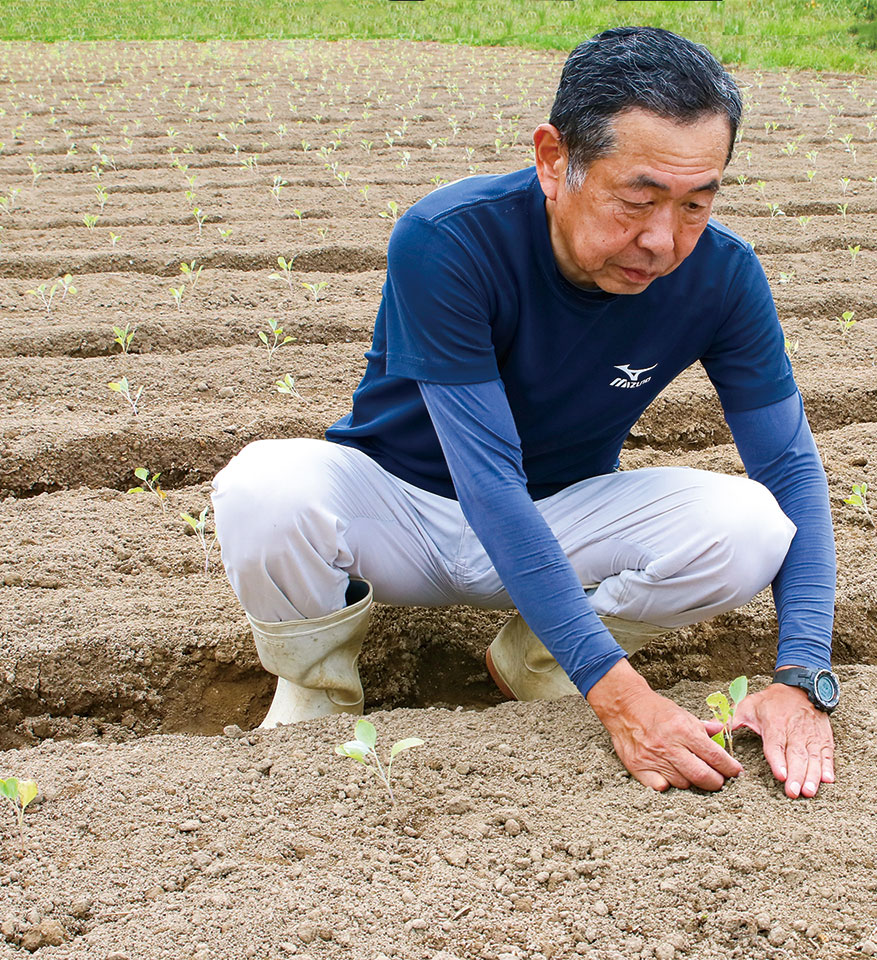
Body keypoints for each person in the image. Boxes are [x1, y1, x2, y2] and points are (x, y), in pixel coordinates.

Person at [212, 26, 840, 799]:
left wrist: (805, 676)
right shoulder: (449, 239)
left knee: (751, 524)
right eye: (637, 200)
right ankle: (319, 688)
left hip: (557, 516)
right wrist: (621, 696)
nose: (661, 239)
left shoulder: (724, 277)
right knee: (264, 488)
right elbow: (486, 481)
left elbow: (789, 467)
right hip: (400, 514)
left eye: (695, 206)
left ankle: (536, 658)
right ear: (553, 160)